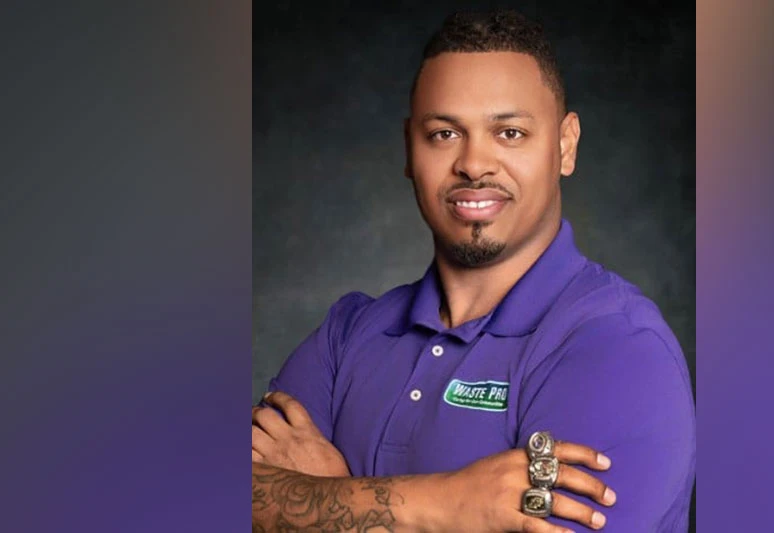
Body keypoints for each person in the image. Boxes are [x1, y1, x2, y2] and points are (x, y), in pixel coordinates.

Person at [252, 9, 695, 532]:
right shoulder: (347, 334)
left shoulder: (617, 350)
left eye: (509, 132)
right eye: (444, 134)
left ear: (565, 145)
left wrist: (321, 496)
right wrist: (445, 505)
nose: (474, 163)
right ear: (409, 147)